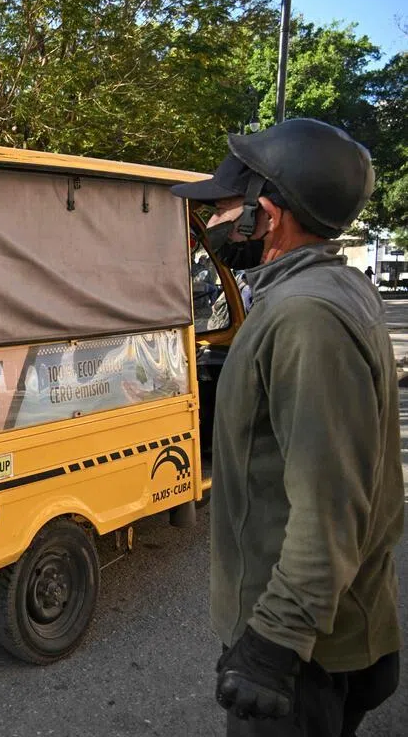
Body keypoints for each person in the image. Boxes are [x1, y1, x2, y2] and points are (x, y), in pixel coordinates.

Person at [170, 118, 402, 736]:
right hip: (326, 638)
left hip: (301, 661)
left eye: (218, 209)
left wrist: (272, 646)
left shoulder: (306, 318)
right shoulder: (327, 290)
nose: (209, 225)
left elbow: (330, 509)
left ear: (265, 215)